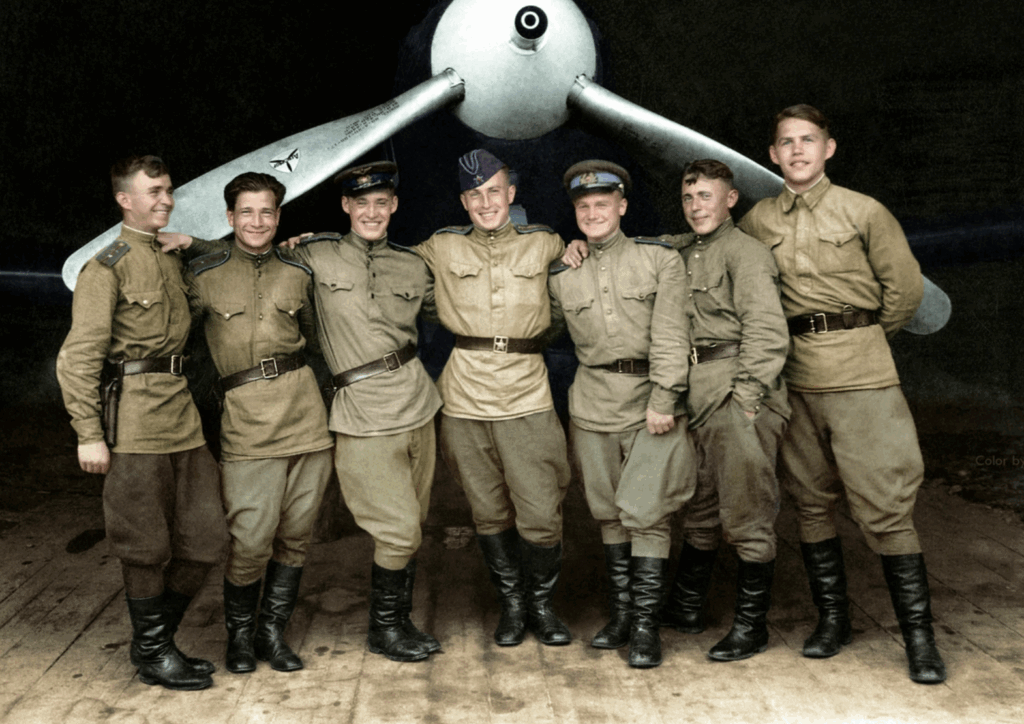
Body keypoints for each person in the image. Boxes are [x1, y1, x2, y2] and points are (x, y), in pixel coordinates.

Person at [738, 104, 945, 684]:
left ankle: (920, 640)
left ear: (829, 148)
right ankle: (834, 621)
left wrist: (859, 339)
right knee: (809, 499)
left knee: (886, 503)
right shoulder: (757, 221)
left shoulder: (864, 211)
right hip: (794, 377)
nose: (798, 150)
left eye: (809, 140)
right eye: (786, 142)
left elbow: (902, 293)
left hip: (861, 377)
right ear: (773, 154)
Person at [55, 155, 226, 691]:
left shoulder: (171, 257)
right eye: (152, 192)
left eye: (169, 190)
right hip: (134, 422)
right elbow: (76, 359)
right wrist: (89, 433)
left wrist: (193, 244)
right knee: (145, 544)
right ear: (124, 200)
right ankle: (155, 652)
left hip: (183, 417)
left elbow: (232, 260)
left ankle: (153, 642)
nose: (166, 200)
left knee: (206, 538)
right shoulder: (107, 267)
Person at [412, 149, 573, 647]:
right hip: (464, 398)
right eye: (475, 195)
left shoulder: (546, 243)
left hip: (527, 392)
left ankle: (543, 606)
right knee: (487, 511)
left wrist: (583, 247)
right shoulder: (439, 248)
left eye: (494, 192)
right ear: (464, 201)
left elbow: (568, 305)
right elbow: (379, 267)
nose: (486, 203)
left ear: (511, 194)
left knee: (542, 511)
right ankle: (513, 605)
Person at [287, 162, 443, 663]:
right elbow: (249, 262)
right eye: (362, 203)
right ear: (345, 207)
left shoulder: (413, 265)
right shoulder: (313, 255)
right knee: (396, 528)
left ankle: (400, 623)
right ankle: (384, 630)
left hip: (419, 404)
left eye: (382, 202)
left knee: (412, 523)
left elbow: (461, 307)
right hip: (361, 410)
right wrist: (190, 243)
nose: (372, 212)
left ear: (393, 206)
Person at [547, 160, 695, 668]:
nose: (592, 214)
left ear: (622, 207)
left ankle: (648, 631)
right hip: (591, 404)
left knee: (648, 512)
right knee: (608, 513)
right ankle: (624, 616)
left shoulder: (659, 261)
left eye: (602, 205)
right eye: (583, 207)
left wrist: (664, 399)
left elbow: (673, 334)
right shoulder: (563, 274)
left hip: (649, 401)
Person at [184, 172, 334, 674]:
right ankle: (240, 639)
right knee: (250, 540)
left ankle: (272, 636)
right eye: (246, 212)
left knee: (296, 535)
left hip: (306, 419)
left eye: (267, 211)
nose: (257, 221)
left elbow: (317, 342)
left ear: (278, 217)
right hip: (246, 424)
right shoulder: (204, 274)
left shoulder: (298, 270)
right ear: (229, 218)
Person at [656, 159, 790, 663]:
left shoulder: (746, 253)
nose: (696, 207)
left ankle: (751, 627)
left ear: (730, 199)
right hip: (699, 393)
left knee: (747, 511)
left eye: (706, 197)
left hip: (737, 392)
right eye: (689, 198)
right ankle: (686, 608)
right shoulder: (685, 249)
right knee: (703, 505)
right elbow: (634, 250)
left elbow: (766, 332)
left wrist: (747, 399)